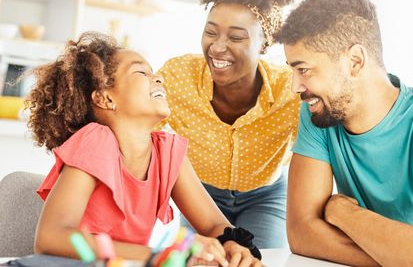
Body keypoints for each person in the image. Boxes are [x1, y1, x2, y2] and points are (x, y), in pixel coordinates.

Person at [158, 0, 413, 249]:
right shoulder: (177, 76)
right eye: (211, 32)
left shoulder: (294, 90)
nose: (218, 47)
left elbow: (352, 91)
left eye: (236, 37)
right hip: (200, 193)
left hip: (265, 196)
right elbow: (133, 108)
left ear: (265, 42)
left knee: (261, 258)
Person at [274, 0, 413, 266]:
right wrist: (408, 259)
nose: (295, 86)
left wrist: (342, 213)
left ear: (355, 62)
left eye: (304, 70)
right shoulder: (319, 111)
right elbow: (302, 233)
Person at [26, 32, 263, 266]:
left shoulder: (168, 152)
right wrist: (156, 255)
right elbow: (50, 238)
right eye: (141, 72)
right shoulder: (95, 143)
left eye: (154, 72)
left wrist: (231, 245)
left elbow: (213, 225)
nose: (158, 78)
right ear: (105, 99)